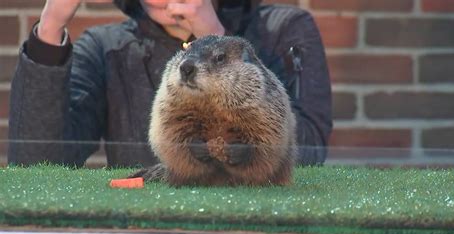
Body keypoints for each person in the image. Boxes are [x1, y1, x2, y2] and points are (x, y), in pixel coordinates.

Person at [8, 0, 332, 167]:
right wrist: (51, 25)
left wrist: (216, 41)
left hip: (255, 233)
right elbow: (37, 162)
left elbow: (307, 152)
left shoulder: (283, 30)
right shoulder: (107, 48)